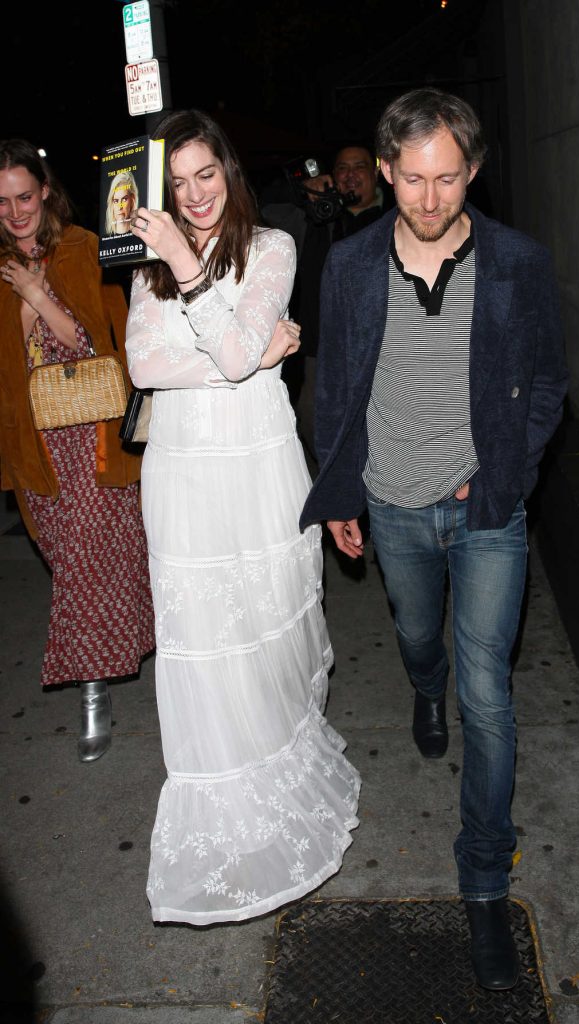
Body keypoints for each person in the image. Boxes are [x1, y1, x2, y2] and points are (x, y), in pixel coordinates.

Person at [300, 88, 568, 990]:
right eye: (410, 178)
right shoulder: (346, 266)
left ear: (473, 171)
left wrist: (506, 476)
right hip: (391, 504)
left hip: (485, 509)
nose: (427, 197)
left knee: (487, 694)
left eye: (446, 177)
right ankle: (423, 687)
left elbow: (547, 382)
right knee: (422, 641)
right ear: (383, 171)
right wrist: (338, 489)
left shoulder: (517, 263)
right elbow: (331, 387)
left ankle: (484, 886)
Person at [124, 109, 360, 925]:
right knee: (206, 648)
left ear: (229, 173)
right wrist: (256, 351)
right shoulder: (146, 266)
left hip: (259, 463)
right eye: (178, 182)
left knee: (266, 628)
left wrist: (203, 295)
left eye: (206, 176)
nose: (192, 196)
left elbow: (218, 357)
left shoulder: (274, 248)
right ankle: (221, 821)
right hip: (184, 474)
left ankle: (281, 786)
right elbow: (146, 363)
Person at [0, 139, 155, 763]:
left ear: (46, 191)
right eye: (2, 202)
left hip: (91, 438)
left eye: (24, 197)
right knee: (74, 564)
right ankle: (121, 663)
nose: (14, 212)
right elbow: (10, 362)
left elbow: (99, 343)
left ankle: (93, 689)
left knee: (97, 565)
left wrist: (37, 296)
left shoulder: (83, 247)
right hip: (36, 442)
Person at [262, 145, 388, 463]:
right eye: (342, 168)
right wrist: (305, 194)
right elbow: (261, 208)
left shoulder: (396, 216)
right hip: (321, 353)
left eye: (359, 166)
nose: (350, 175)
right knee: (315, 426)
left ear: (376, 174)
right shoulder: (317, 216)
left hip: (381, 349)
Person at [105, 170, 139, 235]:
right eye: (116, 201)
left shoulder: (141, 236)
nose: (120, 206)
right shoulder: (104, 240)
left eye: (124, 199)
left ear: (132, 200)